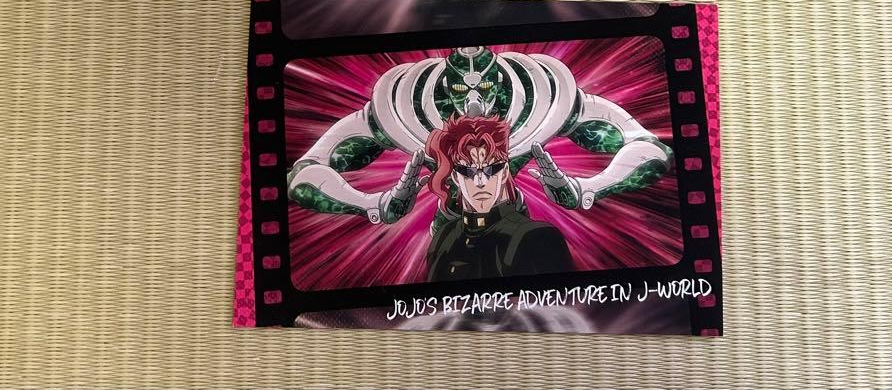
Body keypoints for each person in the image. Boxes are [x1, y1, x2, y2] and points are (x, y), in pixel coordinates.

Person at [286, 45, 673, 225]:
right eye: (461, 90)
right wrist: (376, 204)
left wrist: (584, 190)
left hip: (516, 228)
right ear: (445, 87)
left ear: (501, 83)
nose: (474, 102)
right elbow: (304, 174)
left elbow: (650, 150)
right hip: (449, 233)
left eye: (485, 89)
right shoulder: (399, 109)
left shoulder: (547, 100)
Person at [425, 116, 574, 282]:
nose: (480, 182)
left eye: (491, 169)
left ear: (504, 172)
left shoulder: (538, 237)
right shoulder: (443, 237)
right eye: (468, 171)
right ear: (455, 177)